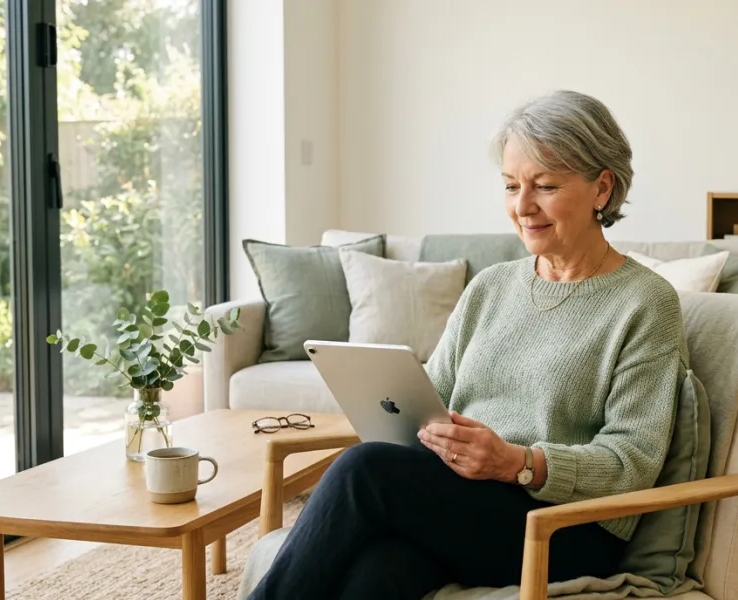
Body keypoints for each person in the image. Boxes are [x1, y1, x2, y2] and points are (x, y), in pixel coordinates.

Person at [246, 90, 686, 600]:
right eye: (510, 186)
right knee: (377, 573)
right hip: (464, 506)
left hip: (565, 528)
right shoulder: (491, 287)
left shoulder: (645, 303)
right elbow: (430, 396)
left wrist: (515, 461)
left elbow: (632, 462)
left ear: (602, 188)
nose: (522, 207)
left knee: (362, 470)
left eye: (544, 185)